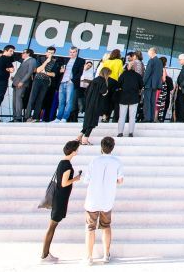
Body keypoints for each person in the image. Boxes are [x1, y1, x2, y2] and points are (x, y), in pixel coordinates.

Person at [84, 136, 124, 265]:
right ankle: (106, 255)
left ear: (101, 147)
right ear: (112, 148)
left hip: (93, 198)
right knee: (106, 226)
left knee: (90, 228)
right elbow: (120, 180)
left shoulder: (94, 161)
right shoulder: (117, 162)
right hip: (107, 198)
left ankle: (89, 257)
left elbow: (87, 180)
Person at [41, 139, 82, 263]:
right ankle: (44, 255)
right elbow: (64, 183)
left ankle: (46, 254)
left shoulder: (62, 162)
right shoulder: (68, 166)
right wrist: (76, 179)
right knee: (52, 227)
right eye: (77, 149)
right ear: (73, 151)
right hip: (60, 199)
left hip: (58, 197)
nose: (78, 151)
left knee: (52, 226)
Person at [24, 48, 59, 122]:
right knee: (32, 98)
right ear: (46, 52)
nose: (50, 54)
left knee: (40, 99)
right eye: (49, 52)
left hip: (46, 81)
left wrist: (45, 72)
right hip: (37, 80)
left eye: (52, 53)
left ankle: (35, 117)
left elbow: (54, 74)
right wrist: (46, 61)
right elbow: (38, 70)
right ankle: (27, 117)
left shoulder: (55, 62)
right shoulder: (40, 58)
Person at [78, 67, 110, 145]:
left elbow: (86, 92)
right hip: (96, 104)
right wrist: (106, 92)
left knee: (87, 121)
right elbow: (103, 92)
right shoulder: (103, 81)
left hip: (89, 104)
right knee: (91, 123)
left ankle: (79, 137)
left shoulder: (94, 80)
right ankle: (85, 140)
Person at [54, 47, 84, 123]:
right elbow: (60, 71)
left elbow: (80, 73)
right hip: (62, 82)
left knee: (69, 101)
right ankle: (58, 118)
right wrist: (61, 71)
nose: (72, 53)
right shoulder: (66, 60)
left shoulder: (80, 60)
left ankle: (64, 118)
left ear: (77, 52)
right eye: (71, 52)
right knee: (61, 101)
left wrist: (72, 81)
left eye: (74, 52)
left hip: (70, 82)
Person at [116, 58, 142, 137]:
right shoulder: (138, 76)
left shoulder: (123, 74)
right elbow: (141, 85)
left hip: (123, 97)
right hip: (134, 97)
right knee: (132, 117)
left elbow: (118, 84)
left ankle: (120, 133)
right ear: (134, 68)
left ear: (127, 67)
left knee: (122, 116)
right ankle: (131, 133)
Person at [11, 48, 36, 122]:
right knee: (14, 101)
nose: (22, 54)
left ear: (28, 53)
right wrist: (14, 78)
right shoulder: (24, 61)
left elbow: (29, 72)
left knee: (18, 100)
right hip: (16, 83)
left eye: (23, 52)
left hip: (21, 84)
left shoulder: (32, 60)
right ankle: (15, 117)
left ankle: (18, 117)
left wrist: (22, 81)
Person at [141, 47, 162, 123]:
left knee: (147, 101)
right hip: (155, 85)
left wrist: (142, 83)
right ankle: (152, 118)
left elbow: (147, 73)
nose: (148, 54)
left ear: (152, 52)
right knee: (153, 101)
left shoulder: (151, 61)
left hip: (149, 84)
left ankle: (147, 118)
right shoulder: (159, 62)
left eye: (148, 52)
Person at [74, 58, 95, 123]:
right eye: (88, 65)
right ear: (85, 64)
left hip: (85, 90)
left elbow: (91, 80)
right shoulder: (81, 70)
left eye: (90, 66)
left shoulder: (90, 72)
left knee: (82, 103)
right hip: (78, 88)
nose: (89, 67)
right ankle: (74, 118)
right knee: (76, 103)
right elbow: (79, 78)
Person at [158, 58, 173, 122]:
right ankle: (161, 120)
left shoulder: (156, 77)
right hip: (165, 98)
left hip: (158, 97)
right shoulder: (168, 79)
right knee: (162, 112)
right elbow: (171, 89)